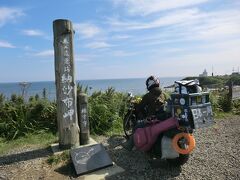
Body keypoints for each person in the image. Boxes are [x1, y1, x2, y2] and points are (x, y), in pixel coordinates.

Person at [122, 75, 169, 151]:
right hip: (162, 118)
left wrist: (136, 104)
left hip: (152, 119)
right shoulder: (163, 94)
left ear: (149, 84)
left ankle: (129, 145)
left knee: (137, 126)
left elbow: (139, 107)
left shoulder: (148, 95)